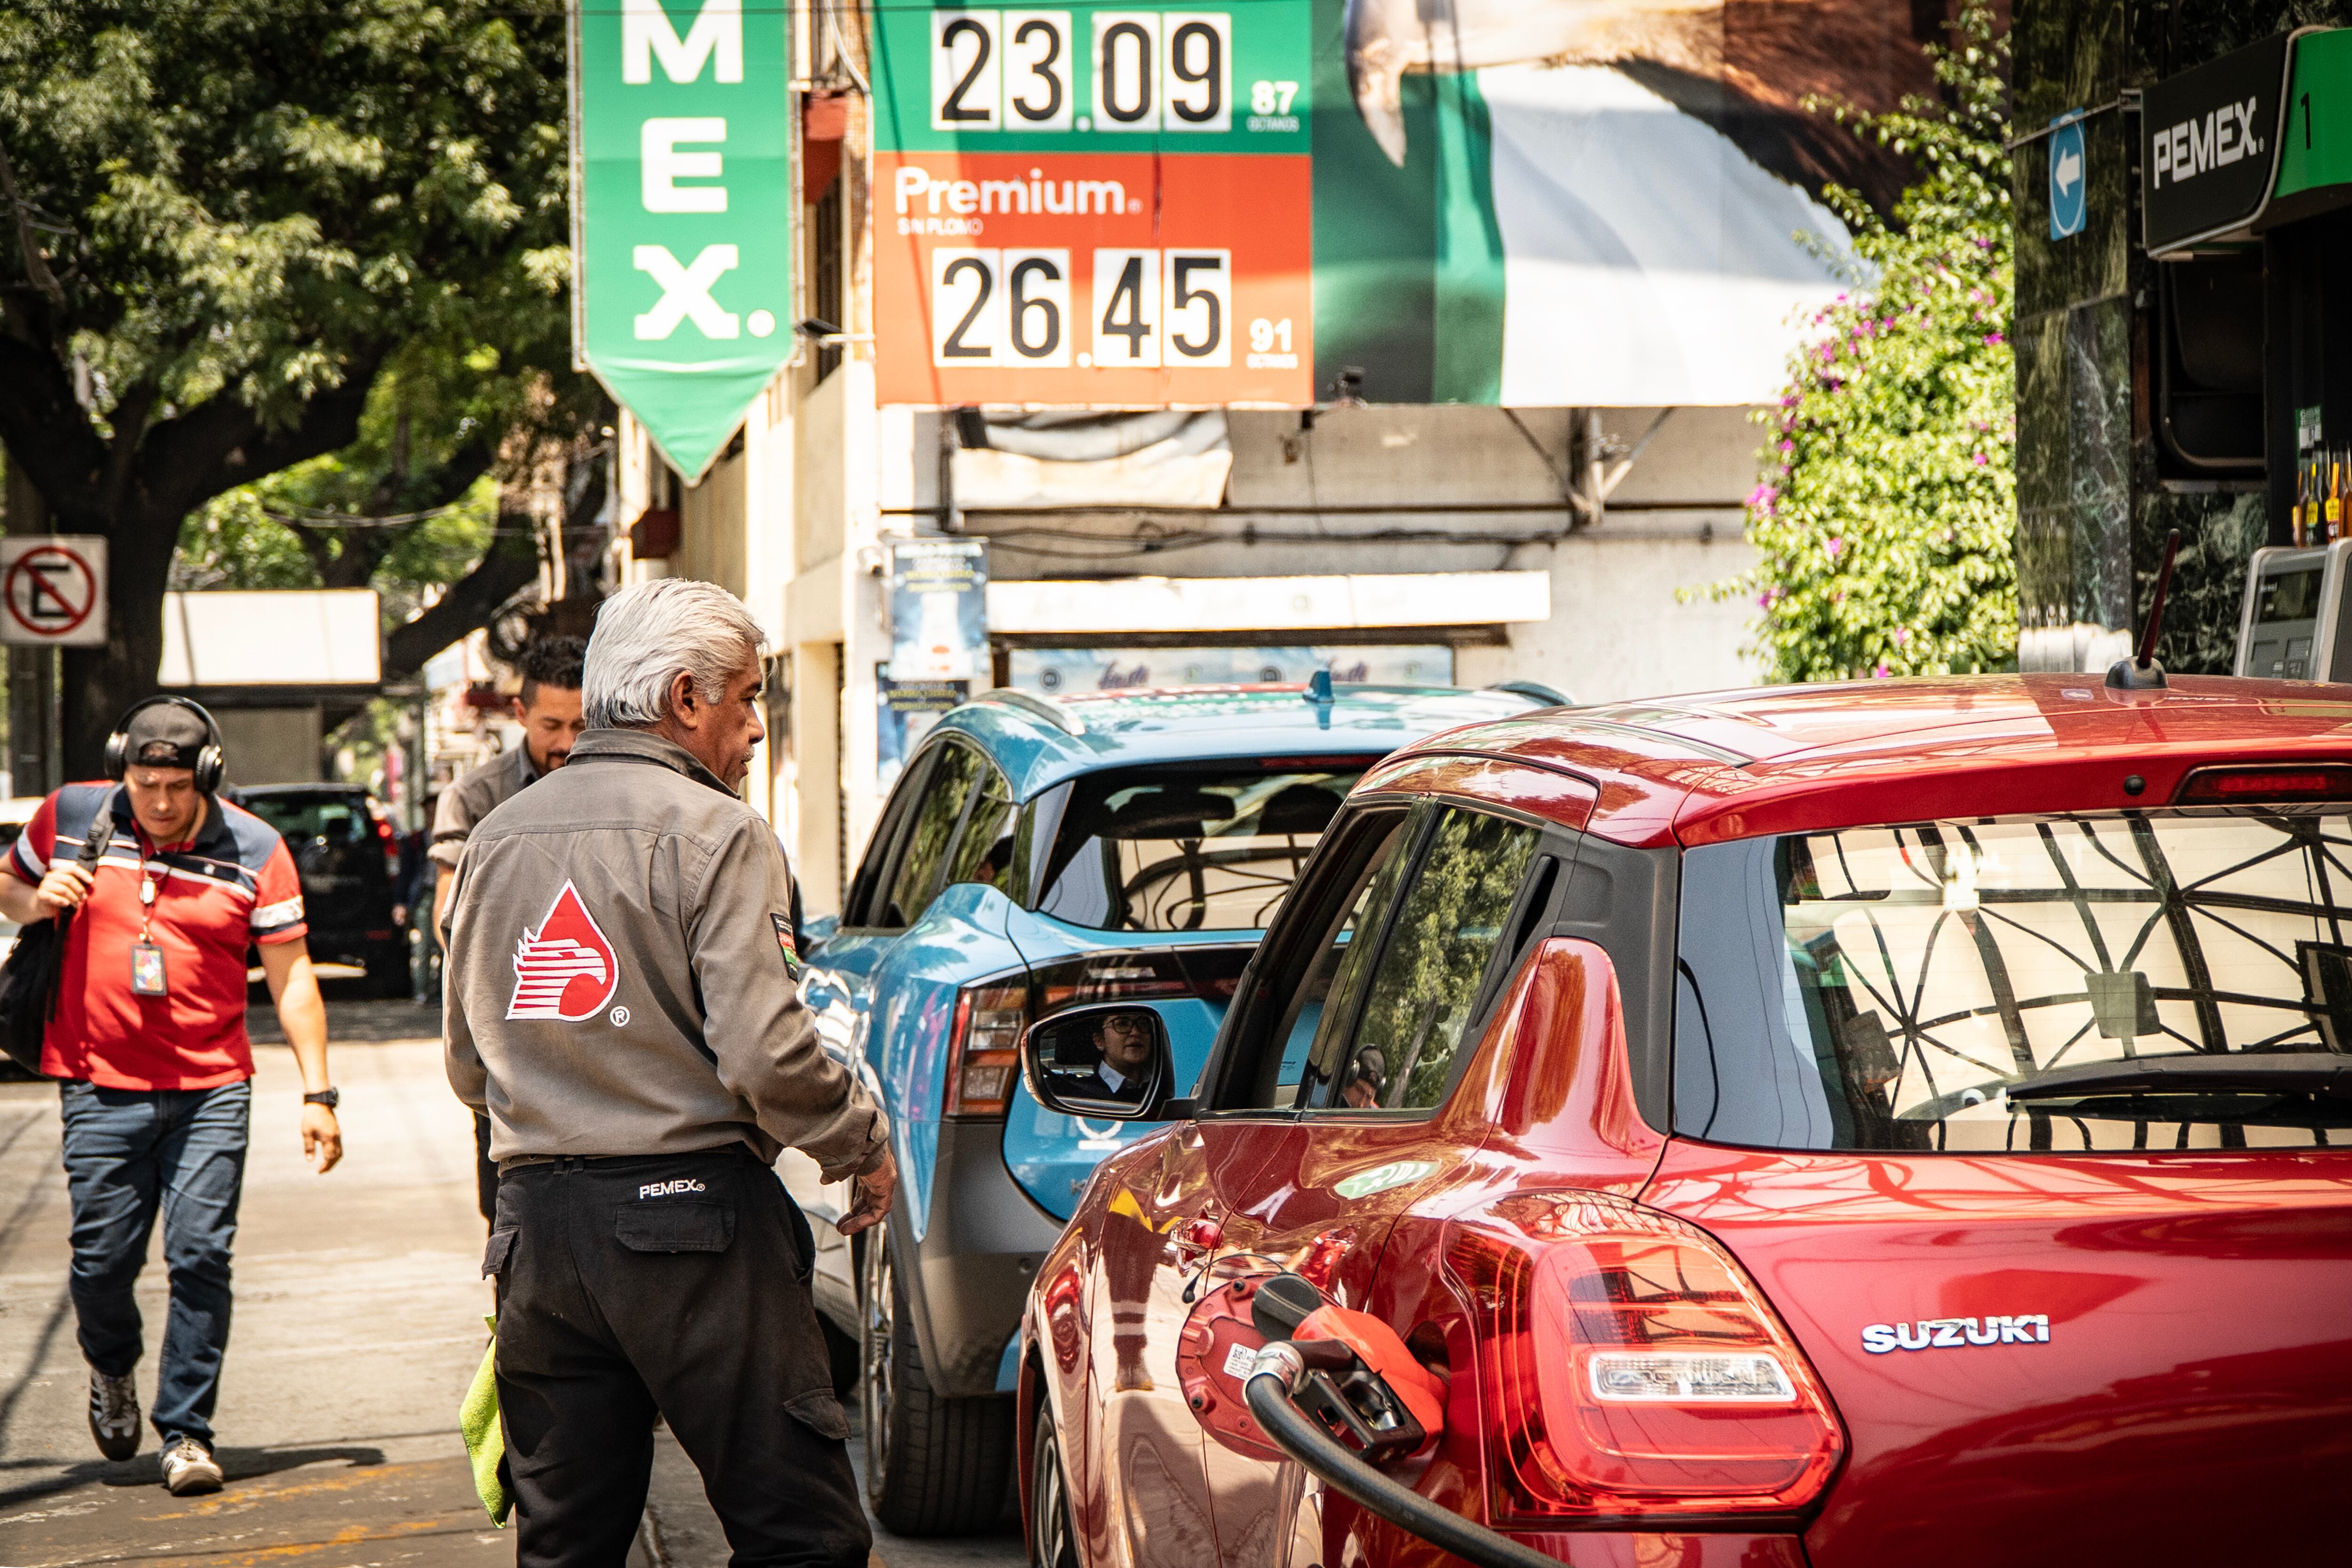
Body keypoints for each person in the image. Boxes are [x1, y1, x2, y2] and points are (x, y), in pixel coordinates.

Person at [444, 579, 896, 1568]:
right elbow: (767, 1055)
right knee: (802, 1537)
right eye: (746, 696)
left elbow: (469, 1066)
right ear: (686, 699)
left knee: (567, 1547)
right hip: (694, 1230)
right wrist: (861, 1140)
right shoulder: (717, 832)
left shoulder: (494, 838)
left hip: (539, 1239)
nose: (756, 727)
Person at [0, 698, 342, 1496]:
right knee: (101, 1265)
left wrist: (318, 1092)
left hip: (212, 1086)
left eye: (176, 785)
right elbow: (6, 892)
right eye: (144, 782)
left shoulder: (257, 849)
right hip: (96, 1080)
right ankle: (111, 1366)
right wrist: (36, 897)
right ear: (123, 769)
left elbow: (293, 979)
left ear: (208, 777)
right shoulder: (73, 816)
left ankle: (186, 1429)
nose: (158, 800)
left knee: (200, 1256)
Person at [428, 636, 586, 1223]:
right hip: (513, 1051)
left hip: (608, 1038)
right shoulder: (476, 797)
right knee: (517, 1231)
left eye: (581, 724)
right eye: (551, 725)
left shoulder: (629, 789)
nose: (567, 743)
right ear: (519, 715)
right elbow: (453, 922)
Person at [1085, 1010, 1155, 1104]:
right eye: (1122, 1024)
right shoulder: (1079, 1093)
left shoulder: (1163, 1088)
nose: (1136, 1032)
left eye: (1143, 1024)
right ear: (1100, 1041)